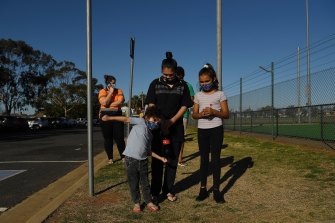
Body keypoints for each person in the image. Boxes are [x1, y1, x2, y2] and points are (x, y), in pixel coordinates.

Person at [145, 52, 193, 203]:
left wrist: (171, 121)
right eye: (164, 74)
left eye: (170, 74)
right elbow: (151, 105)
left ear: (175, 72)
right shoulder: (155, 83)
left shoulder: (182, 85)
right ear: (161, 71)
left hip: (175, 127)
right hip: (158, 129)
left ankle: (168, 190)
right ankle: (154, 192)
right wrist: (158, 121)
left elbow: (185, 106)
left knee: (172, 162)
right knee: (158, 162)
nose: (167, 77)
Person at [101, 106, 167, 213]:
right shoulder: (140, 121)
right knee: (133, 182)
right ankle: (137, 203)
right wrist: (109, 118)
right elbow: (126, 119)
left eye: (157, 122)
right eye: (154, 120)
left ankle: (148, 201)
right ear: (147, 117)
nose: (155, 123)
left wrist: (160, 158)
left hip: (143, 161)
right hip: (130, 160)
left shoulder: (151, 135)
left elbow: (148, 151)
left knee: (145, 182)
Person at [191, 63, 229, 203]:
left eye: (207, 81)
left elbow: (226, 114)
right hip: (202, 130)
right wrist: (200, 114)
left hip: (216, 129)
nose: (204, 84)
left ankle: (216, 190)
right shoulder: (198, 95)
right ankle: (202, 189)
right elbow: (193, 115)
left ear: (213, 79)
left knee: (216, 160)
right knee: (204, 160)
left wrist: (214, 112)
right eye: (201, 82)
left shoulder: (220, 94)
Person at [98, 74, 126, 164]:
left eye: (115, 84)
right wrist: (110, 93)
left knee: (119, 138)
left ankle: (123, 157)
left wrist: (107, 104)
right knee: (108, 138)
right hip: (105, 116)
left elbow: (120, 101)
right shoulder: (102, 91)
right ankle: (110, 158)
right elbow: (103, 102)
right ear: (108, 83)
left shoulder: (119, 91)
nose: (114, 86)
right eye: (112, 84)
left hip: (117, 115)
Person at [175, 66, 195, 167]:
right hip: (172, 115)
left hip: (183, 115)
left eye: (179, 76)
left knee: (181, 137)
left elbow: (192, 100)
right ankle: (172, 157)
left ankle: (179, 158)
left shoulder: (188, 85)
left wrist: (183, 103)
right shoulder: (172, 85)